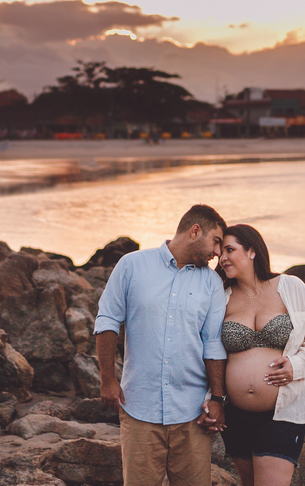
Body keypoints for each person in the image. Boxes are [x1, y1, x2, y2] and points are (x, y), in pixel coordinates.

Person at [94, 204, 230, 486]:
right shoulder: (132, 265)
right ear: (195, 231)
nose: (218, 253)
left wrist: (217, 399)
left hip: (191, 414)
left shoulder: (212, 284)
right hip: (139, 409)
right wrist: (107, 379)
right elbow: (107, 321)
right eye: (216, 242)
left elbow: (213, 344)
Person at [217, 224, 305, 486]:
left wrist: (296, 365)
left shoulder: (291, 287)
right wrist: (212, 399)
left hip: (283, 412)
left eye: (229, 250)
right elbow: (209, 352)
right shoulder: (221, 297)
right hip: (234, 415)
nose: (222, 258)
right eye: (220, 252)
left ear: (252, 251)